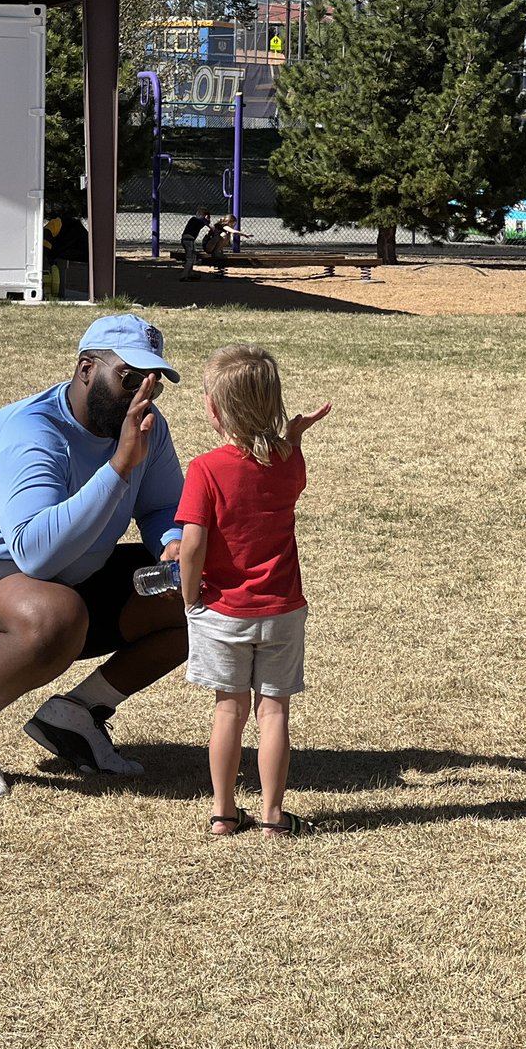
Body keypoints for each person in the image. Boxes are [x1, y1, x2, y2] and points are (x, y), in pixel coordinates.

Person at [0, 314, 188, 797]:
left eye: (153, 383)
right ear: (86, 370)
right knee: (53, 614)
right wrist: (119, 466)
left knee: (202, 591)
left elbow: (162, 506)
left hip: (64, 580)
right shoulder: (33, 431)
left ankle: (76, 716)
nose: (143, 394)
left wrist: (172, 543)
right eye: (130, 378)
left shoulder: (146, 429)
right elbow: (36, 555)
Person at [175, 345, 331, 837]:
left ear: (215, 409)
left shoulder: (205, 469)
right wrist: (294, 438)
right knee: (273, 711)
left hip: (223, 612)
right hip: (282, 611)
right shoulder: (287, 463)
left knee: (229, 709)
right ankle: (273, 816)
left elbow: (192, 545)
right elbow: (288, 471)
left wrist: (189, 597)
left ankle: (224, 812)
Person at [179, 207, 212, 282]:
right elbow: (211, 227)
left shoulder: (193, 219)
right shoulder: (202, 221)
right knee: (190, 259)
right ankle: (184, 276)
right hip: (189, 241)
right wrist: (207, 220)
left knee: (192, 257)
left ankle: (190, 273)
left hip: (185, 240)